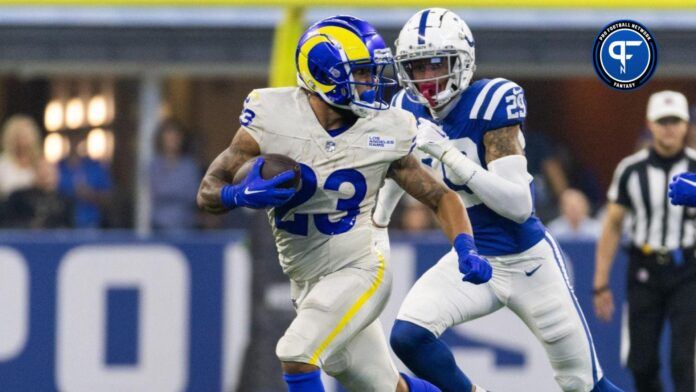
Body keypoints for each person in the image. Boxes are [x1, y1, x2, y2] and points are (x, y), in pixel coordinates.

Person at [196, 16, 491, 392]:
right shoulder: (272, 116)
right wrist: (236, 195)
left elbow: (439, 196)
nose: (372, 83)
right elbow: (208, 190)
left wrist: (465, 247)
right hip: (307, 279)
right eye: (362, 73)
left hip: (362, 267)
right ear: (324, 74)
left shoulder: (388, 127)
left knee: (296, 351)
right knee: (387, 387)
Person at [372, 8, 621, 392]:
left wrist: (448, 155)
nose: (426, 78)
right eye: (417, 67)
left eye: (436, 64)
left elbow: (519, 206)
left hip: (527, 262)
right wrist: (376, 226)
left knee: (584, 385)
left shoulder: (491, 101)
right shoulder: (406, 109)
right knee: (408, 336)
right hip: (470, 255)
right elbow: (396, 170)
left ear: (463, 61)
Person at [594, 90, 696, 392]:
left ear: (686, 124)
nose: (669, 128)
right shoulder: (630, 169)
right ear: (650, 124)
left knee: (684, 360)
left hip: (688, 269)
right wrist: (600, 284)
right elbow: (612, 225)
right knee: (641, 362)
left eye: (675, 121)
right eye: (662, 121)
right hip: (644, 269)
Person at [149, 119, 201, 232]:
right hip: (159, 225)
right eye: (169, 137)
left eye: (176, 137)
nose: (173, 141)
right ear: (161, 139)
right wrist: (177, 192)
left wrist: (169, 193)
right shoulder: (154, 165)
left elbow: (193, 195)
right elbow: (158, 190)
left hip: (185, 225)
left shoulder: (190, 166)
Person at [57, 134, 113, 228]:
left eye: (78, 141)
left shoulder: (96, 167)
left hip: (91, 223)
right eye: (72, 141)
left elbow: (108, 196)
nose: (75, 145)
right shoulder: (58, 167)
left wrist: (88, 194)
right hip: (62, 224)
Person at [2, 159, 72, 228]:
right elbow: (8, 224)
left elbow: (70, 230)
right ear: (34, 173)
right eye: (42, 171)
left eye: (49, 172)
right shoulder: (19, 197)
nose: (45, 175)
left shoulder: (64, 201)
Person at [0, 114, 42, 200]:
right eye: (19, 137)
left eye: (25, 136)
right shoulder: (3, 164)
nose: (22, 141)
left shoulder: (40, 163)